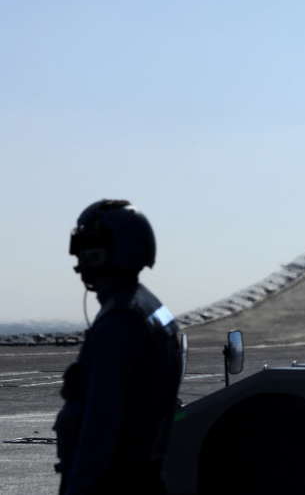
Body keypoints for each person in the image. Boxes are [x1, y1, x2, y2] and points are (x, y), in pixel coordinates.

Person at [54, 199, 182, 495]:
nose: (79, 253)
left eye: (87, 243)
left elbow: (101, 426)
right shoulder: (152, 307)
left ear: (112, 249)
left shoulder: (118, 321)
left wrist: (79, 488)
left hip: (115, 482)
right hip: (143, 475)